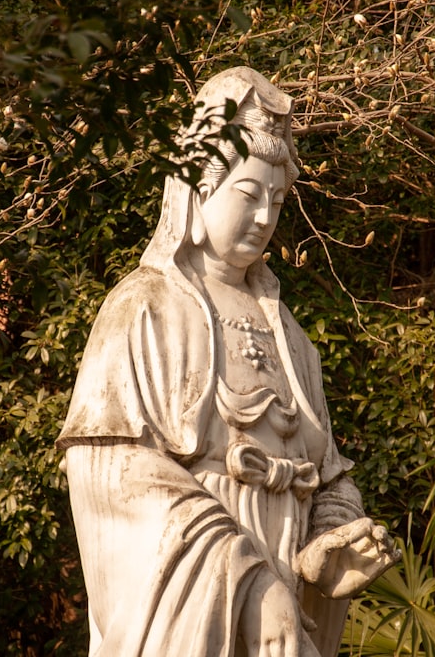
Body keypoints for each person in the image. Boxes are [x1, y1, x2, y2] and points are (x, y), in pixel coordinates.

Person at [58, 66, 399, 657]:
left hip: (288, 608)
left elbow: (327, 474)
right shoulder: (144, 308)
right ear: (199, 187)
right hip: (195, 609)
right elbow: (112, 476)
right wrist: (246, 580)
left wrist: (329, 541)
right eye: (248, 194)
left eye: (277, 199)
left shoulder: (287, 332)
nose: (265, 217)